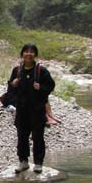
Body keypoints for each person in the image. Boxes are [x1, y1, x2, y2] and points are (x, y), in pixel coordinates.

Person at [8, 43, 55, 173]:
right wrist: (14, 84)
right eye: (26, 51)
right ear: (22, 54)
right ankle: (23, 161)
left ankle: (38, 163)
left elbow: (50, 86)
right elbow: (10, 89)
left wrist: (41, 88)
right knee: (22, 135)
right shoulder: (17, 70)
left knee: (38, 137)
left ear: (35, 55)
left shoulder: (41, 71)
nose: (29, 54)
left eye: (32, 52)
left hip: (37, 109)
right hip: (22, 109)